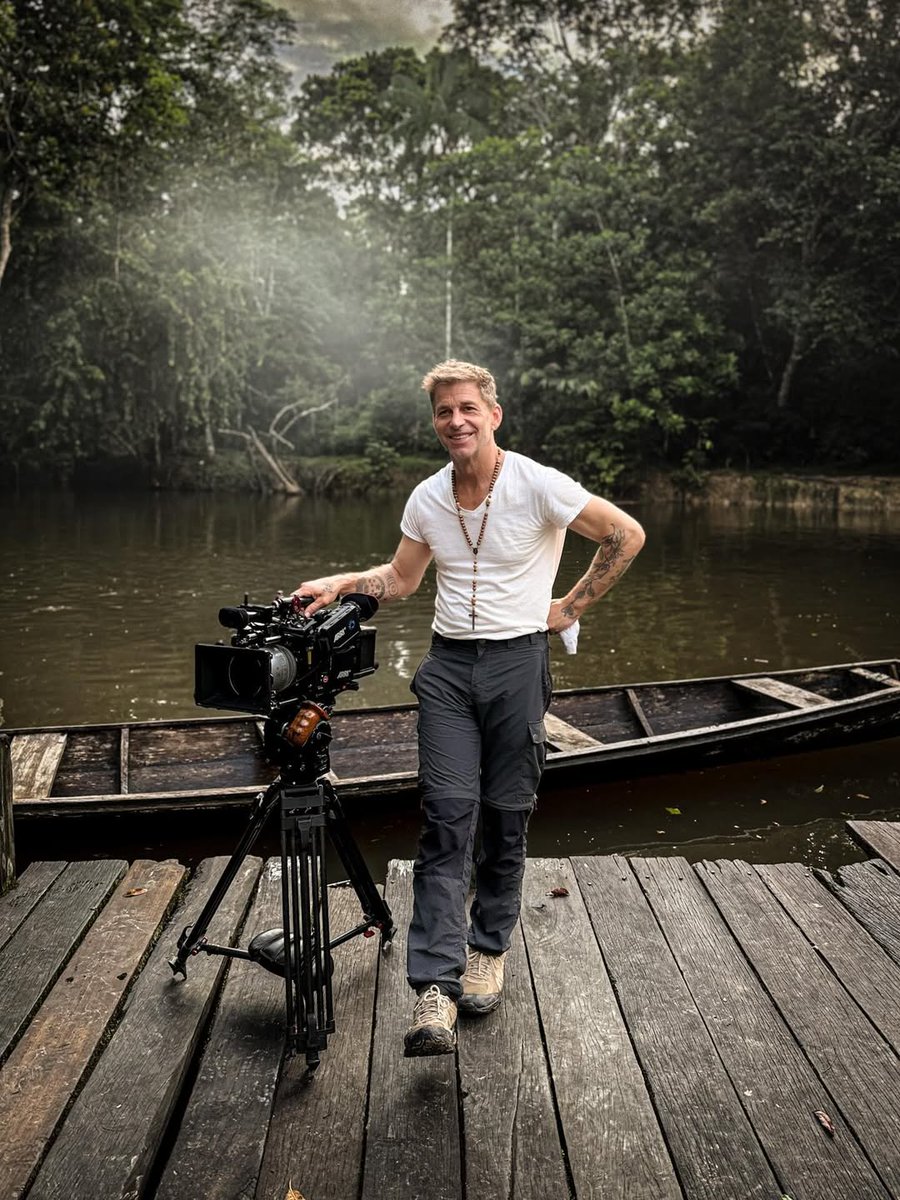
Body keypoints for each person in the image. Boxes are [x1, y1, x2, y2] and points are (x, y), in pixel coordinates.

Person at [293, 359, 645, 1057]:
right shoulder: (428, 497)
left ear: (493, 414)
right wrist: (342, 582)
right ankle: (434, 987)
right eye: (443, 412)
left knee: (506, 816)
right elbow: (401, 578)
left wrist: (569, 608)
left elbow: (624, 535)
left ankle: (488, 947)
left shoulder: (538, 484)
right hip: (449, 670)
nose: (455, 421)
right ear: (436, 422)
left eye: (467, 408)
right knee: (447, 818)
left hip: (518, 663)